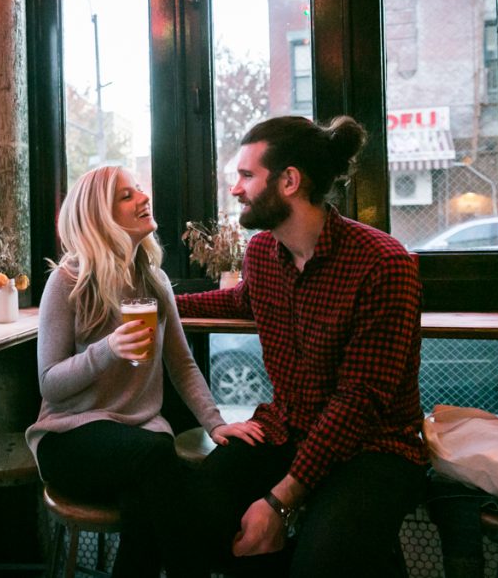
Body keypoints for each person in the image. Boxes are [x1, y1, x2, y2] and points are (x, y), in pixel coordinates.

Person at [177, 115, 428, 577]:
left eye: (247, 176)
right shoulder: (262, 254)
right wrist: (161, 305)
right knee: (193, 513)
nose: (236, 189)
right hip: (288, 427)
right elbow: (241, 300)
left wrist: (279, 500)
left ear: (290, 181)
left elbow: (359, 403)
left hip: (374, 447)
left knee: (322, 563)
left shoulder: (383, 263)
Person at [25, 165, 262, 578]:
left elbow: (182, 364)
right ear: (99, 215)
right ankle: (216, 562)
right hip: (69, 439)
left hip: (139, 445)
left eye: (138, 190)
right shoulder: (67, 281)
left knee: (146, 505)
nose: (143, 197)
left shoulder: (155, 281)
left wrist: (215, 424)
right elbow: (50, 384)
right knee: (156, 457)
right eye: (126, 195)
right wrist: (107, 350)